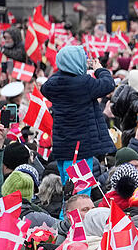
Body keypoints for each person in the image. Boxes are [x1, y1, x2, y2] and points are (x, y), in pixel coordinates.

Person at [41, 45, 116, 175]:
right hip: (80, 149)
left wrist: (66, 66)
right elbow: (108, 84)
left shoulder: (52, 84)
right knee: (81, 191)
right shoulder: (83, 84)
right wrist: (99, 70)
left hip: (62, 147)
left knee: (67, 189)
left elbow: (46, 86)